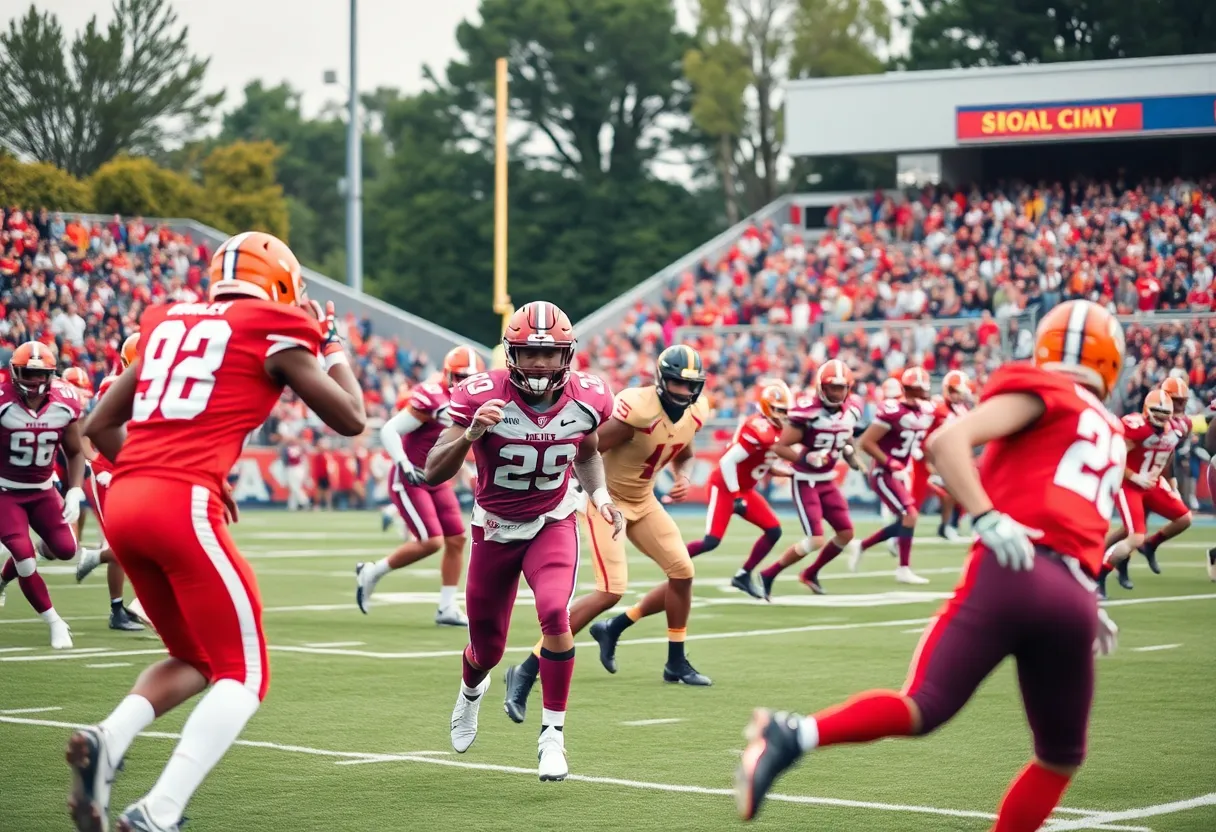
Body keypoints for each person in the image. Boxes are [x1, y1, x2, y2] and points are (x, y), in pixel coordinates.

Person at [736, 300, 1125, 832]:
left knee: (924, 704)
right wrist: (1083, 591)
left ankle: (794, 735)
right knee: (1058, 759)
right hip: (1076, 595)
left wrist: (985, 515)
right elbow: (1084, 520)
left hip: (1013, 570)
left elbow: (947, 442)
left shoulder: (1044, 390)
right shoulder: (1113, 428)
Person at [67, 231, 366, 832]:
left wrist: (152, 475)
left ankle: (109, 737)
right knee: (246, 672)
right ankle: (160, 809)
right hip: (180, 503)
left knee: (195, 657)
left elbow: (97, 426)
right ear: (281, 284)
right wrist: (331, 343)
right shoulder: (271, 327)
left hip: (123, 503)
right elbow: (352, 417)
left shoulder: (165, 321)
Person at [424, 301, 619, 782]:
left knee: (555, 612)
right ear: (511, 352)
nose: (540, 363)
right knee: (486, 648)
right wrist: (470, 434)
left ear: (566, 355)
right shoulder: (479, 395)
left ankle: (552, 735)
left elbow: (588, 453)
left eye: (549, 353)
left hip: (553, 518)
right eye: (530, 352)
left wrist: (600, 495)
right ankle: (471, 693)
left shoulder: (589, 398)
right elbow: (432, 471)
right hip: (494, 526)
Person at [503, 345, 712, 728]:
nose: (684, 392)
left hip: (644, 500)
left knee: (682, 571)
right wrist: (573, 492)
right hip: (606, 502)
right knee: (610, 590)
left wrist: (683, 476)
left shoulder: (696, 412)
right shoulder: (638, 411)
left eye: (691, 385)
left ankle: (675, 661)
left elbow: (684, 449)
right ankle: (526, 668)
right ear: (662, 379)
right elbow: (587, 448)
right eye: (678, 384)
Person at [355, 345, 485, 625]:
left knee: (457, 540)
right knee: (431, 541)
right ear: (448, 374)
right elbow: (391, 429)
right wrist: (402, 463)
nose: (465, 383)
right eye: (460, 377)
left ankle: (447, 607)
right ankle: (372, 572)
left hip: (437, 478)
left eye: (471, 378)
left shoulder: (476, 398)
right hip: (411, 476)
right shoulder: (432, 395)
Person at [0, 341, 84, 649]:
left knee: (66, 549)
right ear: (14, 372)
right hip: (5, 492)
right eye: (27, 373)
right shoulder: (3, 401)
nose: (34, 382)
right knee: (25, 559)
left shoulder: (65, 401)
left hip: (43, 490)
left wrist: (74, 491)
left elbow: (75, 452)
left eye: (41, 374)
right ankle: (54, 621)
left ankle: (2, 577)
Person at [758, 360, 864, 597]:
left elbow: (845, 437)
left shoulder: (853, 409)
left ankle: (811, 573)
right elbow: (780, 446)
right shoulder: (808, 413)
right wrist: (804, 459)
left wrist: (851, 456)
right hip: (806, 480)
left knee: (846, 533)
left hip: (827, 480)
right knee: (816, 538)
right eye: (831, 388)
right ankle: (769, 573)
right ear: (820, 387)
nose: (836, 393)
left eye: (841, 388)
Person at [73, 334, 147, 631]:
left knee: (138, 541)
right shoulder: (112, 386)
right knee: (127, 544)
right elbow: (88, 430)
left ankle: (120, 608)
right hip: (108, 472)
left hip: (131, 470)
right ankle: (122, 603)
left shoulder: (151, 390)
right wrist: (95, 463)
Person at [699, 379, 792, 599]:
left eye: (785, 411)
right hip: (725, 486)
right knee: (711, 541)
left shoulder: (777, 431)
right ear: (768, 407)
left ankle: (743, 575)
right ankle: (674, 562)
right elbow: (727, 462)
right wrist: (736, 496)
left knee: (774, 530)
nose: (783, 415)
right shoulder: (758, 427)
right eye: (779, 410)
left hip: (745, 489)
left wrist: (790, 473)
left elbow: (764, 464)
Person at [1097, 386, 1191, 598]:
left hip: (1152, 483)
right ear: (1147, 410)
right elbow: (1115, 457)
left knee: (1184, 518)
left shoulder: (1176, 428)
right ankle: (1100, 574)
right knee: (1135, 537)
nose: (1160, 419)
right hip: (1129, 484)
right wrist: (1133, 476)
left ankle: (1151, 545)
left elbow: (1167, 453)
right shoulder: (1136, 427)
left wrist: (1170, 481)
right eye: (1156, 414)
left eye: (1164, 414)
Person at [848, 366, 936, 583]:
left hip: (901, 471)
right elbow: (866, 442)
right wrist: (889, 462)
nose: (925, 390)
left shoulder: (925, 410)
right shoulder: (893, 411)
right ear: (910, 389)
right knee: (910, 515)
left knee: (906, 519)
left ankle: (862, 545)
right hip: (882, 472)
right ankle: (903, 569)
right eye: (920, 387)